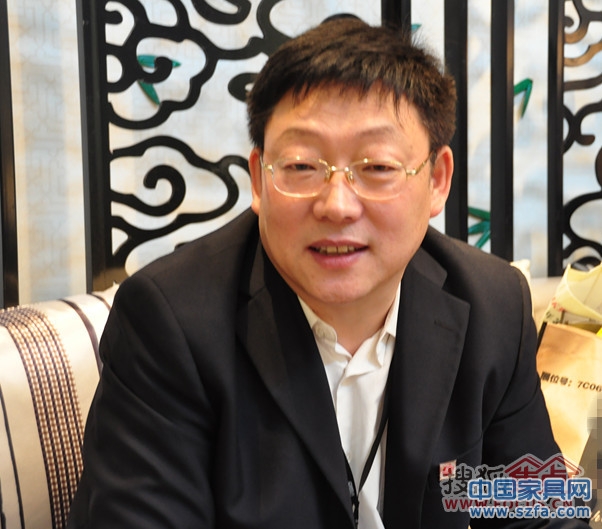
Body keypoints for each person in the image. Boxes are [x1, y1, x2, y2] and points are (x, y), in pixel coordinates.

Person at [67, 17, 588, 529]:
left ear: (437, 180)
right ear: (259, 179)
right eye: (301, 166)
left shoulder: (493, 305)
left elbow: (536, 512)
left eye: (377, 167)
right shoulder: (171, 322)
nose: (337, 205)